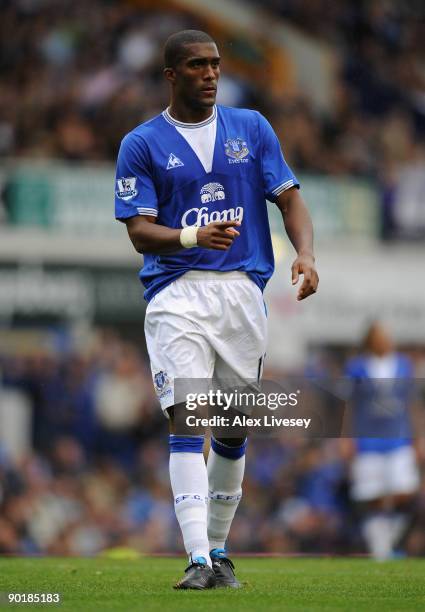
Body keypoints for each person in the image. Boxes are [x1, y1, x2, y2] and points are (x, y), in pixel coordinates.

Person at [115, 30, 318, 589]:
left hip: (242, 294)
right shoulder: (142, 142)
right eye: (197, 65)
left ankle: (221, 553)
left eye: (216, 65)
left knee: (232, 430)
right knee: (189, 419)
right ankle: (198, 559)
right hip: (176, 290)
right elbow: (138, 231)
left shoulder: (251, 128)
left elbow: (289, 196)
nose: (210, 74)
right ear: (171, 75)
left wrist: (305, 253)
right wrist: (191, 236)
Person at [345, 321, 420, 559]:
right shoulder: (357, 367)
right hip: (368, 440)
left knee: (406, 489)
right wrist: (345, 437)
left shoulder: (404, 366)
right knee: (371, 494)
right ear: (370, 340)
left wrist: (418, 437)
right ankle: (382, 549)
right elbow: (349, 404)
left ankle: (388, 538)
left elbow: (412, 404)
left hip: (399, 437)